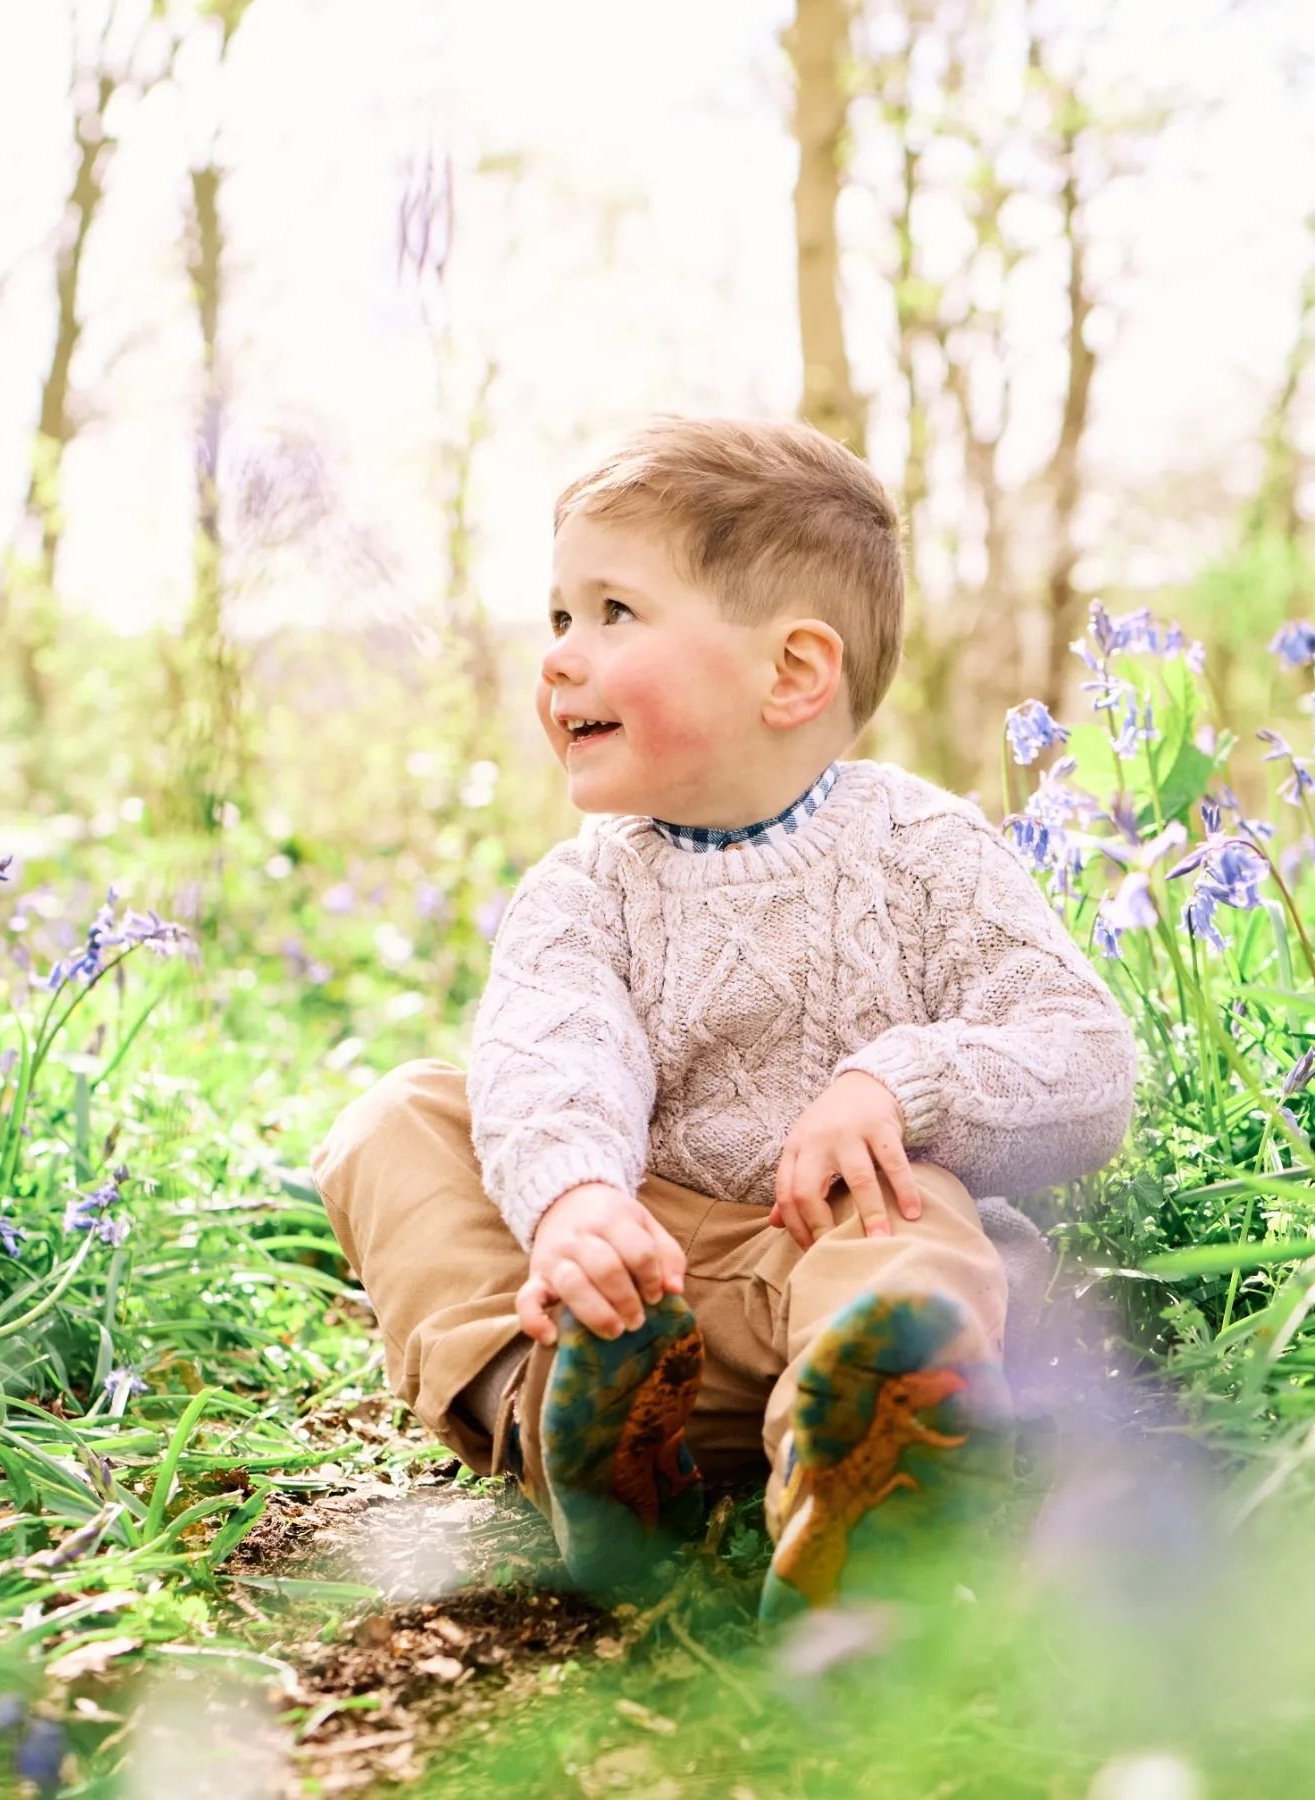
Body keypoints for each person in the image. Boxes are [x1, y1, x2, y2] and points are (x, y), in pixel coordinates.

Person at [311, 415, 1138, 1625]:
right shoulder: (585, 888)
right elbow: (551, 1053)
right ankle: (567, 1433)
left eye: (614, 614)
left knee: (913, 1201)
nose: (558, 658)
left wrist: (902, 1085)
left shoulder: (924, 852)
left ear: (792, 673)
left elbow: (1085, 1058)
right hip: (623, 1299)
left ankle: (862, 1465)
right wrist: (577, 1202)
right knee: (400, 1119)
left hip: (828, 1268)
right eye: (557, 618)